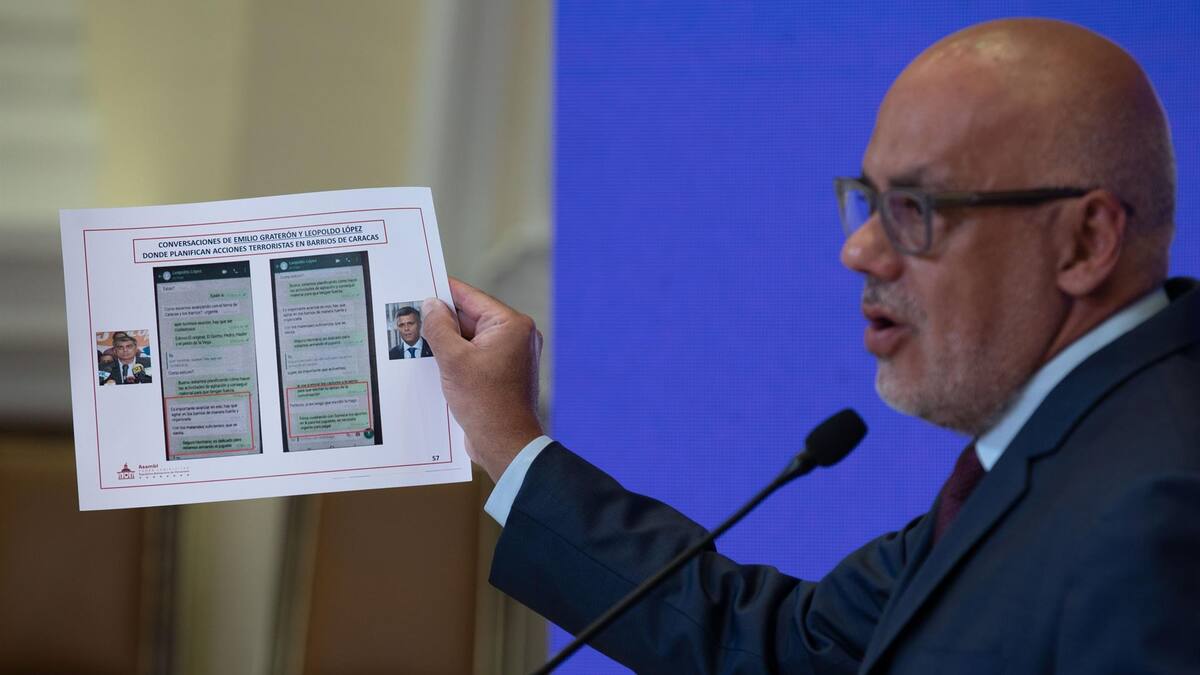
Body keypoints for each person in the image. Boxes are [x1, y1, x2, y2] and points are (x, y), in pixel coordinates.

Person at [422, 18, 1200, 674]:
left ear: (1085, 241)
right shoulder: (1055, 453)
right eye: (867, 200)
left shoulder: (1157, 512)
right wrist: (507, 442)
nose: (859, 250)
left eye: (915, 208)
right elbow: (780, 644)